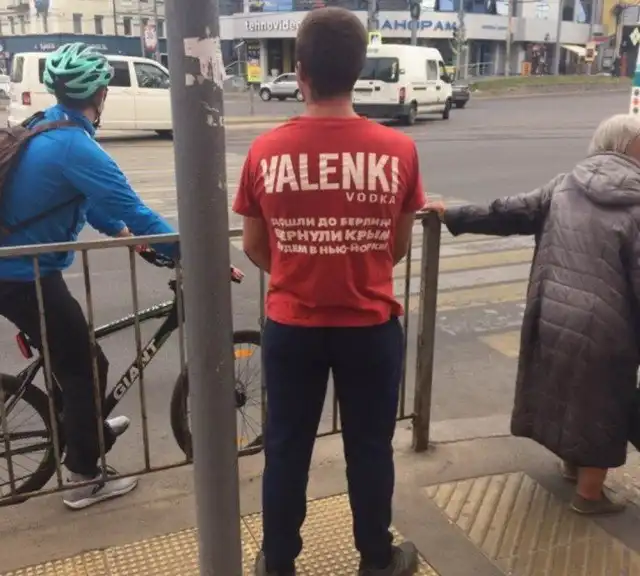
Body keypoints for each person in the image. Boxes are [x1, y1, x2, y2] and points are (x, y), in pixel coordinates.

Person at [233, 8, 425, 576]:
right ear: (359, 70)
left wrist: (302, 265)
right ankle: (376, 558)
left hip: (292, 326)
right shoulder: (398, 150)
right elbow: (396, 246)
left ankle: (279, 563)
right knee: (369, 448)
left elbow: (254, 244)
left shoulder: (266, 151)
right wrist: (350, 260)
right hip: (370, 327)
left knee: (286, 449)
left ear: (300, 73)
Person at [425, 113, 640, 515]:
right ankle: (589, 495)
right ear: (629, 148)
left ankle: (571, 466)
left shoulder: (565, 184)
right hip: (609, 326)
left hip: (552, 311)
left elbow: (509, 212)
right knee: (604, 403)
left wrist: (453, 214)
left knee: (566, 389)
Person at [0, 42, 177, 510]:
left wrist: (122, 234)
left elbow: (88, 200)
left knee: (70, 356)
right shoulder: (75, 146)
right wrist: (194, 254)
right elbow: (139, 212)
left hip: (18, 269)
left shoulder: (45, 124)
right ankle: (83, 475)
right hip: (23, 277)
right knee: (85, 365)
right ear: (100, 94)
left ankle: (86, 429)